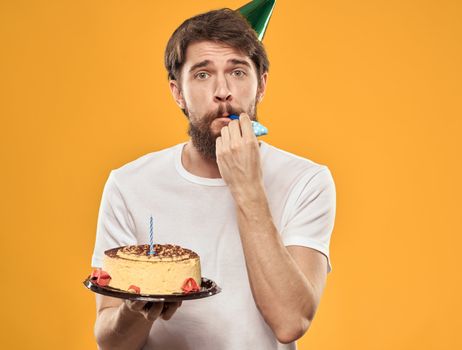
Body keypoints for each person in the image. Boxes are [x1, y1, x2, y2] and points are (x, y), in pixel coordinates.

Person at [91, 7, 336, 350]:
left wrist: (248, 187)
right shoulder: (129, 185)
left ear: (261, 84)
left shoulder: (306, 181)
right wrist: (136, 310)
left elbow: (291, 321)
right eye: (203, 75)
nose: (223, 91)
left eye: (237, 71)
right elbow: (110, 343)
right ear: (178, 92)